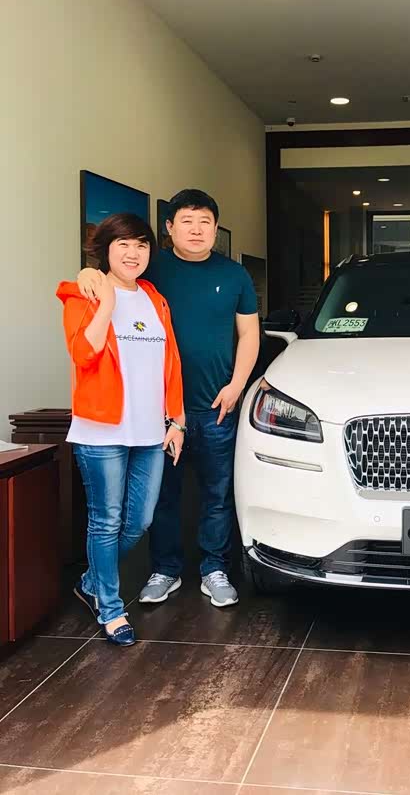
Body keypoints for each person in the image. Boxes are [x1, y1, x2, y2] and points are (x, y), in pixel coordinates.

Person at [78, 189, 260, 608]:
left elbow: (250, 333)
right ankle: (165, 569)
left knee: (217, 494)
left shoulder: (235, 275)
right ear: (169, 227)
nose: (196, 230)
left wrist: (236, 385)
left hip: (216, 405)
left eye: (205, 222)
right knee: (162, 497)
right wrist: (87, 273)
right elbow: (109, 279)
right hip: (158, 411)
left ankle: (214, 569)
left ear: (216, 228)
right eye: (187, 221)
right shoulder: (149, 269)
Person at [58, 213, 185, 647]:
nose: (133, 253)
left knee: (139, 520)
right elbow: (84, 354)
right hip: (100, 433)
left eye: (141, 245)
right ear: (105, 250)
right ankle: (111, 609)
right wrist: (107, 303)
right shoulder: (82, 292)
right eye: (123, 244)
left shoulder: (154, 298)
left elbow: (171, 364)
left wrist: (177, 419)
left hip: (150, 431)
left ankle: (91, 582)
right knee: (105, 520)